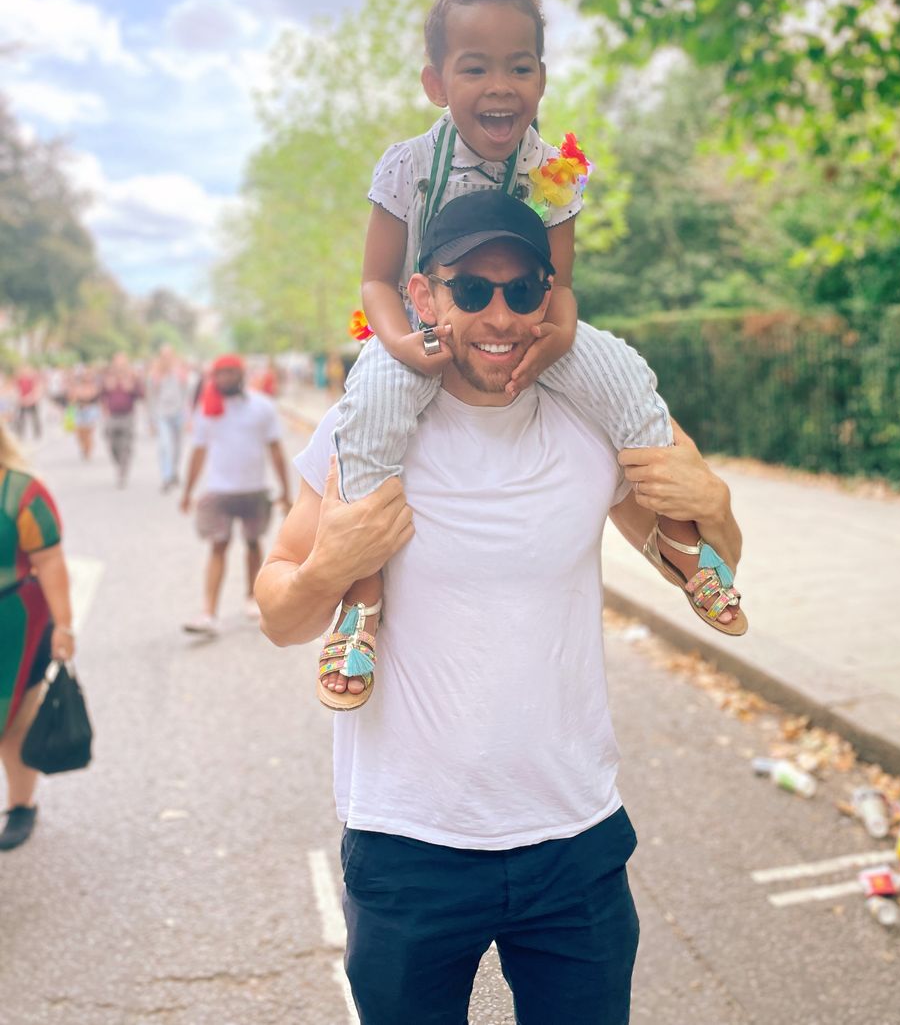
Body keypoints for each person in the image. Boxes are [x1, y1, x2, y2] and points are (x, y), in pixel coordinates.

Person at [255, 193, 743, 1023]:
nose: (499, 314)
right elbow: (278, 612)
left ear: (549, 298)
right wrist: (327, 570)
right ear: (425, 296)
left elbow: (694, 562)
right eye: (471, 289)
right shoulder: (365, 427)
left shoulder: (589, 421)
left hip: (574, 839)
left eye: (522, 292)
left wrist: (718, 500)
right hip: (409, 843)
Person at [321, 0, 744, 708]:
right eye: (474, 66)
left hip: (530, 323)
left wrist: (556, 340)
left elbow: (564, 285)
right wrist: (398, 343)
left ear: (542, 79)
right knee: (372, 409)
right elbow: (376, 283)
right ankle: (361, 597)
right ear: (434, 81)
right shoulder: (409, 166)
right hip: (427, 330)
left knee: (623, 373)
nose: (501, 85)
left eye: (520, 66)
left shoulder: (553, 170)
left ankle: (676, 536)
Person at [0, 420, 75, 851]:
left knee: (15, 717)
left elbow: (49, 562)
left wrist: (64, 626)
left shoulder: (23, 493)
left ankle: (20, 804)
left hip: (16, 625)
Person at [180, 355, 292, 634]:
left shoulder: (262, 407)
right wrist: (187, 491)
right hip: (219, 491)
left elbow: (276, 450)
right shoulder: (206, 409)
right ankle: (209, 613)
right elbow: (198, 452)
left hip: (254, 490)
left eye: (230, 373)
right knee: (218, 545)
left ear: (241, 374)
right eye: (220, 374)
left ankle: (252, 597)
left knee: (253, 544)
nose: (225, 379)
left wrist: (286, 491)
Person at [147, 345, 188, 492]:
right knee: (164, 445)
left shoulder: (180, 373)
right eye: (164, 356)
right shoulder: (155, 375)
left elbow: (186, 395)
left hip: (178, 413)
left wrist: (188, 417)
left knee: (177, 446)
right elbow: (150, 398)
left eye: (169, 356)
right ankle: (166, 476)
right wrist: (151, 420)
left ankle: (174, 470)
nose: (167, 359)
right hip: (162, 414)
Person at [100, 353, 143, 487]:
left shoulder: (132, 377)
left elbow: (141, 394)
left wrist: (131, 388)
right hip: (112, 416)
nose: (119, 367)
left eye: (122, 364)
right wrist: (104, 409)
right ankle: (119, 463)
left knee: (125, 446)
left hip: (127, 415)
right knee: (112, 444)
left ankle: (122, 472)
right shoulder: (108, 378)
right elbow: (101, 395)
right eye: (117, 364)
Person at [69, 364, 102, 462]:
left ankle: (88, 449)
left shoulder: (95, 386)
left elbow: (95, 396)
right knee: (79, 433)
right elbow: (72, 398)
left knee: (88, 432)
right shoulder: (77, 386)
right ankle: (84, 447)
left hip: (90, 410)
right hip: (79, 410)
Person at [13, 365, 44, 441]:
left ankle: (38, 433)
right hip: (23, 400)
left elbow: (36, 388)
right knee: (20, 418)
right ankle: (19, 433)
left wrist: (31, 398)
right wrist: (20, 398)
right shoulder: (20, 379)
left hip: (31, 400)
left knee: (35, 418)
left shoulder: (32, 379)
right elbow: (17, 388)